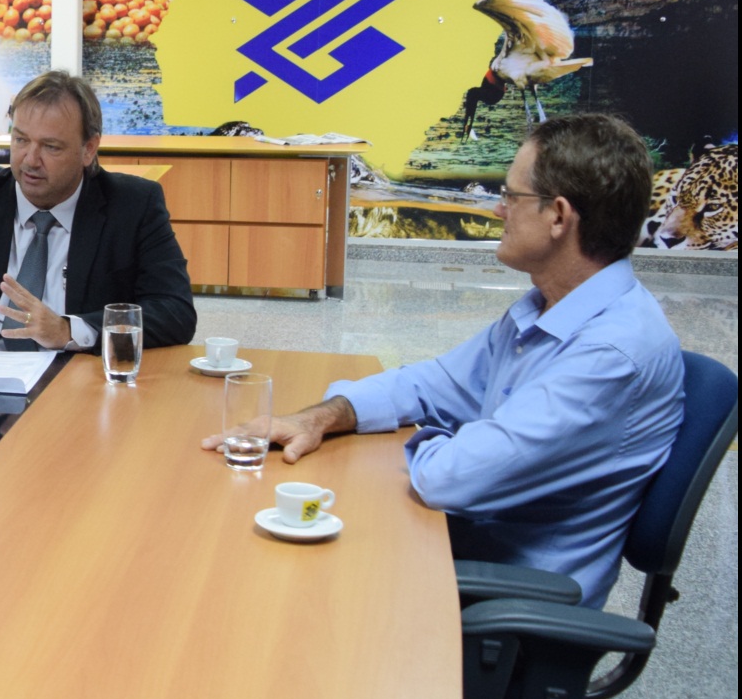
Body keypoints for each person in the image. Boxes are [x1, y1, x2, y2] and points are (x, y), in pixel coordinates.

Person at [202, 113, 683, 608]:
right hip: (455, 547)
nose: (499, 210)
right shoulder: (549, 306)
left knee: (259, 590)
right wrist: (323, 416)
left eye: (511, 197)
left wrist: (449, 438)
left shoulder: (610, 354)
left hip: (503, 604)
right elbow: (433, 385)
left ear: (558, 216)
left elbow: (450, 478)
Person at [0, 70, 196, 353]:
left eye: (51, 147)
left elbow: (175, 312)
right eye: (20, 140)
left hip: (76, 376)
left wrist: (70, 330)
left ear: (89, 149)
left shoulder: (133, 205)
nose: (30, 159)